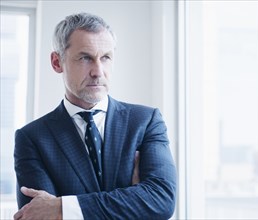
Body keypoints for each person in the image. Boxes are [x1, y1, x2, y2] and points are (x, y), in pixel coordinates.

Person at [13, 12, 176, 220]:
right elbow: (37, 216)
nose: (98, 71)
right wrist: (133, 202)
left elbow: (161, 200)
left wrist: (63, 207)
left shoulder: (145, 122)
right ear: (57, 62)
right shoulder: (32, 138)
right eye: (85, 58)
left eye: (106, 57)